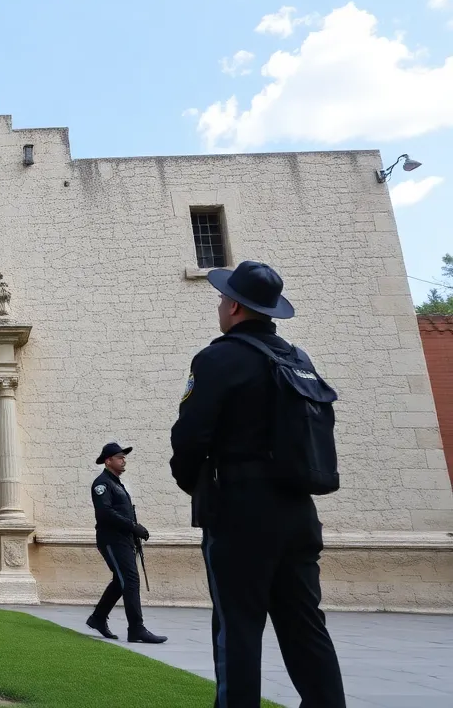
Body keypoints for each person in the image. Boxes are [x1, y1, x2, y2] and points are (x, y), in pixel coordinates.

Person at [170, 260, 345, 708]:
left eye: (222, 298)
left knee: (239, 630)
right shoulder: (297, 360)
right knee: (307, 628)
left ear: (233, 307)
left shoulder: (219, 357)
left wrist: (197, 486)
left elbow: (190, 437)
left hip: (242, 510)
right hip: (299, 510)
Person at [86, 442, 168, 644]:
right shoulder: (102, 484)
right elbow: (105, 513)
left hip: (123, 539)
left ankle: (97, 618)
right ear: (108, 461)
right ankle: (136, 629)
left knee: (120, 581)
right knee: (130, 580)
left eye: (124, 457)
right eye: (120, 457)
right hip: (112, 540)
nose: (124, 460)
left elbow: (121, 511)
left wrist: (134, 529)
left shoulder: (116, 483)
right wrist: (133, 526)